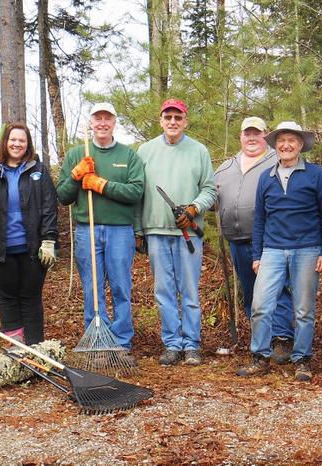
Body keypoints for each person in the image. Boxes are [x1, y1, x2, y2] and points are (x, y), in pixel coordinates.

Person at [238, 121, 322, 381]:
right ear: (275, 145)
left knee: (303, 309)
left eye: (292, 140)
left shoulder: (316, 174)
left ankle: (302, 359)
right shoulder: (266, 177)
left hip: (307, 249)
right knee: (260, 305)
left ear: (300, 145)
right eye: (281, 140)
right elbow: (260, 219)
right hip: (272, 250)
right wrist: (257, 255)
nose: (286, 145)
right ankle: (259, 356)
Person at [135, 98, 217, 366]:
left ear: (185, 121)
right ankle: (172, 343)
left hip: (189, 234)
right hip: (156, 232)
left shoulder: (199, 151)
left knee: (190, 290)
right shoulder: (145, 151)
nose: (173, 122)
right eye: (168, 117)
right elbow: (138, 193)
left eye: (178, 118)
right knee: (164, 292)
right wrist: (139, 230)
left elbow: (209, 189)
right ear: (161, 120)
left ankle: (191, 344)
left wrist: (193, 209)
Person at [57, 103, 144, 351]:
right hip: (87, 230)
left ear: (115, 122)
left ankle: (122, 342)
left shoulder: (128, 156)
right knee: (92, 288)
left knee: (121, 287)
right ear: (91, 123)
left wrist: (101, 184)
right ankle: (98, 340)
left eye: (108, 118)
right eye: (98, 119)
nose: (103, 123)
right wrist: (76, 176)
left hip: (120, 230)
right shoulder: (77, 154)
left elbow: (136, 191)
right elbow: (63, 197)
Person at [0, 122, 58, 345]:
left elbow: (49, 207)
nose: (17, 144)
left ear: (28, 144)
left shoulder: (38, 170)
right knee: (7, 299)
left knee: (31, 298)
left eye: (22, 140)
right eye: (13, 140)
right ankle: (17, 349)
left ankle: (36, 349)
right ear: (5, 143)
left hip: (33, 249)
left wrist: (49, 239)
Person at [214, 116, 294, 365]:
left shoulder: (277, 162)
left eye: (256, 133)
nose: (251, 138)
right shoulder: (226, 167)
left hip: (270, 240)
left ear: (265, 136)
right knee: (250, 293)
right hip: (237, 239)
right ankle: (263, 339)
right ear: (240, 136)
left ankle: (283, 338)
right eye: (246, 133)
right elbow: (211, 196)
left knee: (277, 289)